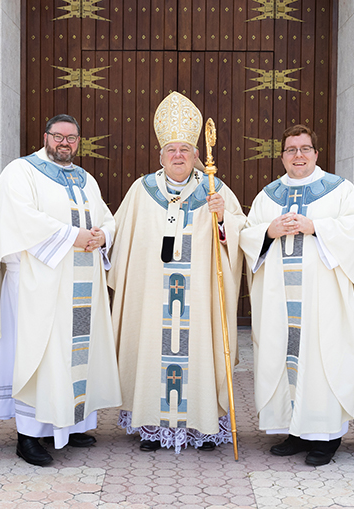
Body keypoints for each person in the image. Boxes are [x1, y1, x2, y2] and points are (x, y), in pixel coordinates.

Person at [0, 114, 121, 466]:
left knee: (74, 354)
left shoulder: (85, 179)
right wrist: (74, 236)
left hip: (81, 282)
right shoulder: (20, 171)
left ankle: (71, 422)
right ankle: (29, 435)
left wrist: (103, 235)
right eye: (58, 136)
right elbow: (19, 217)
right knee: (38, 354)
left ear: (79, 142)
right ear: (45, 137)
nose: (64, 143)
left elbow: (106, 217)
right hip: (37, 283)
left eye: (71, 138)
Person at [107, 91, 247, 453]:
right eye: (172, 150)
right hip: (153, 296)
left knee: (199, 351)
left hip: (198, 300)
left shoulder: (214, 189)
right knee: (151, 350)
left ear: (197, 155)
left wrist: (223, 218)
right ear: (160, 155)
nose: (179, 156)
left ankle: (202, 427)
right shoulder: (142, 190)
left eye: (186, 149)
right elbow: (120, 238)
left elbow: (239, 235)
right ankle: (152, 425)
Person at [240, 124, 354, 466]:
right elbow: (248, 235)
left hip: (323, 298)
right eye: (291, 150)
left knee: (322, 359)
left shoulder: (339, 190)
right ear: (282, 156)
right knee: (285, 358)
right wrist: (269, 231)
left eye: (305, 149)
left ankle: (326, 437)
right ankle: (294, 431)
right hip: (280, 298)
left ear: (316, 153)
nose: (298, 155)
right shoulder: (268, 195)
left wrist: (317, 227)